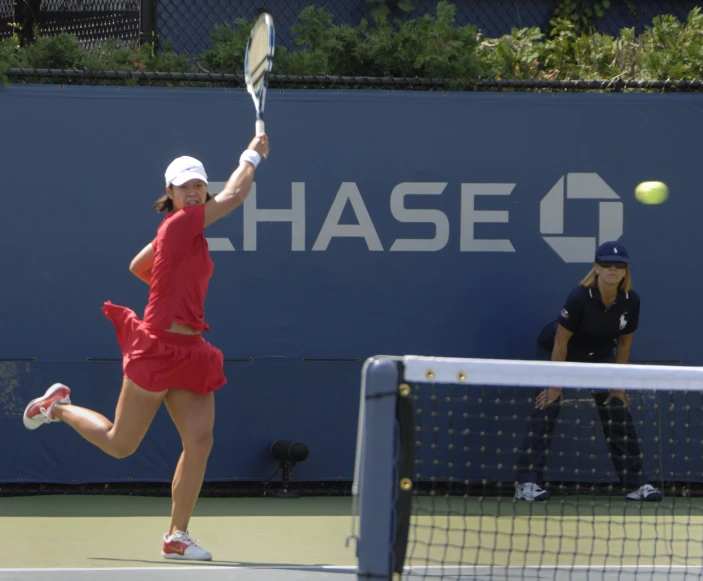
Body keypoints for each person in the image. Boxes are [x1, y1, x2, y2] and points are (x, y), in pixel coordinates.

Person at [21, 133, 271, 560]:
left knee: (201, 441)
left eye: (199, 185)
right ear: (170, 194)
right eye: (185, 186)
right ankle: (57, 407)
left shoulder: (183, 235)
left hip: (191, 352)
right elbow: (234, 194)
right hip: (157, 348)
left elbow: (139, 266)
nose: (195, 192)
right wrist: (252, 155)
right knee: (121, 445)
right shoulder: (179, 224)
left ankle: (177, 536)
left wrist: (171, 294)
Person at [514, 241, 662, 503]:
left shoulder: (631, 301)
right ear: (596, 268)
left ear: (626, 271)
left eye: (619, 265)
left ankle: (636, 484)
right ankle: (526, 483)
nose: (612, 269)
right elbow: (561, 342)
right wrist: (555, 385)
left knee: (616, 409)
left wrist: (618, 385)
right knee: (547, 405)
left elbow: (625, 342)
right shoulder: (580, 297)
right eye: (606, 264)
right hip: (560, 351)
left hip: (600, 355)